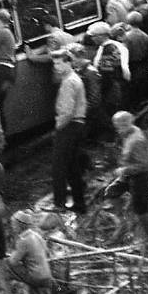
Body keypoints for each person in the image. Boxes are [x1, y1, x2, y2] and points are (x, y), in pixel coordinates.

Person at [0, 211, 55, 294]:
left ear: (20, 225)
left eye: (13, 224)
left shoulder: (23, 240)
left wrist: (10, 257)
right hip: (46, 276)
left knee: (3, 265)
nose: (12, 227)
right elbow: (46, 253)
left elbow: (12, 262)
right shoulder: (37, 236)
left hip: (34, 276)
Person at [49, 51, 88, 213]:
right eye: (54, 64)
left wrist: (58, 127)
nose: (56, 67)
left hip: (69, 126)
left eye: (59, 63)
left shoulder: (68, 83)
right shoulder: (75, 78)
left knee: (58, 167)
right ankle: (79, 204)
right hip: (77, 125)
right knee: (73, 167)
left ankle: (59, 203)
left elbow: (67, 112)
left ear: (68, 62)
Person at [110, 111, 148, 245]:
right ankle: (123, 224)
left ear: (127, 124)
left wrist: (124, 170)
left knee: (141, 209)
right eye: (116, 127)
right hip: (128, 175)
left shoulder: (137, 140)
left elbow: (144, 165)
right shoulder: (129, 133)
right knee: (111, 193)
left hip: (139, 176)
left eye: (119, 127)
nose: (118, 130)